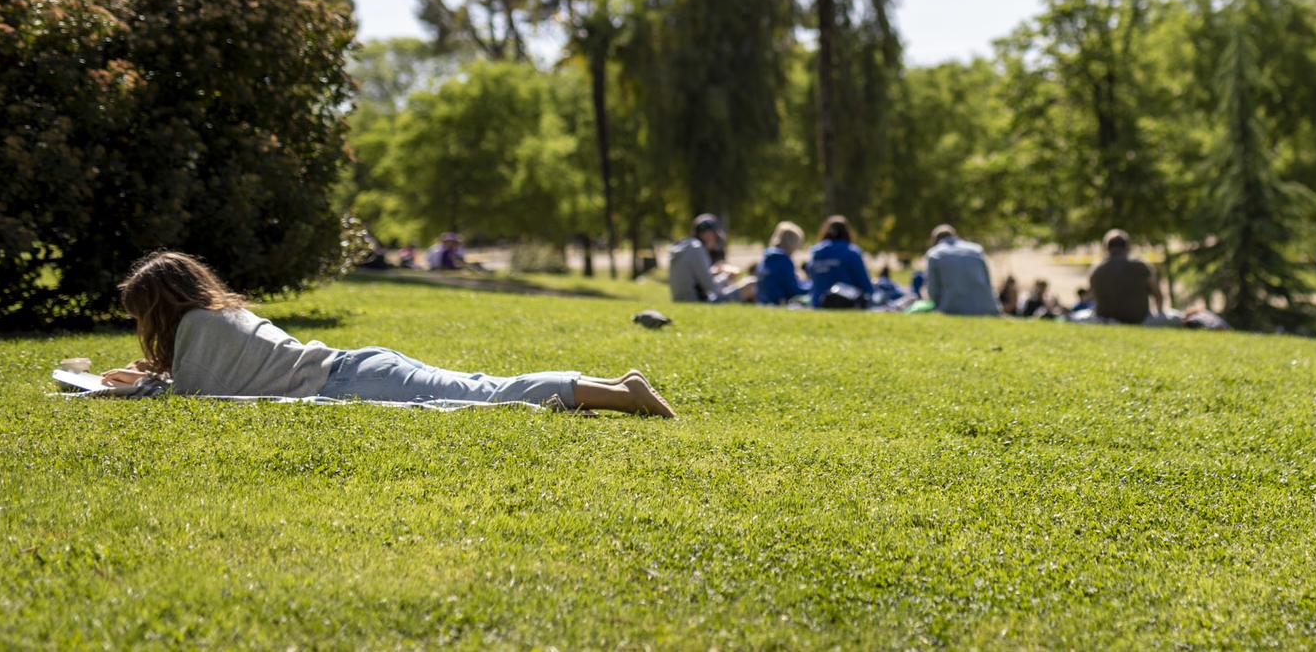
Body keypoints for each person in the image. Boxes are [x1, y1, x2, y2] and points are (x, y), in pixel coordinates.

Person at [102, 252, 673, 415]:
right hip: (361, 366)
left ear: (159, 306)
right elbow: (208, 375)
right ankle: (616, 384)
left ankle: (624, 396)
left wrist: (140, 386)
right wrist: (153, 374)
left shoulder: (199, 326)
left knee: (485, 393)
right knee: (480, 385)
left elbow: (196, 396)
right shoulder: (219, 314)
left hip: (351, 381)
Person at [920, 226, 998, 316]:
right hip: (986, 307)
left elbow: (933, 288)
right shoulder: (977, 249)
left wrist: (935, 305)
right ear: (955, 235)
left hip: (952, 308)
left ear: (935, 241)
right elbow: (987, 280)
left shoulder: (934, 254)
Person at [1090, 229, 1163, 325]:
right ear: (1127, 246)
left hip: (1105, 319)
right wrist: (1159, 315)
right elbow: (1157, 295)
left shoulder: (1096, 270)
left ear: (1106, 248)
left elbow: (1094, 297)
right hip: (1138, 319)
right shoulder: (1141, 266)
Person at [807, 216, 874, 308]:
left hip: (817, 302)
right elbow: (866, 286)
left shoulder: (815, 253)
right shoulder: (851, 252)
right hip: (846, 302)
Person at [669, 214, 729, 303]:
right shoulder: (697, 248)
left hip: (681, 300)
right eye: (714, 235)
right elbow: (711, 288)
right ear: (709, 235)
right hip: (695, 301)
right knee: (750, 286)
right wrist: (726, 276)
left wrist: (714, 272)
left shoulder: (687, 246)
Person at [756, 221, 809, 306]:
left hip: (763, 302)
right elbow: (793, 290)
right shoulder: (784, 260)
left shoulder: (766, 258)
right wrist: (813, 286)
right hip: (779, 302)